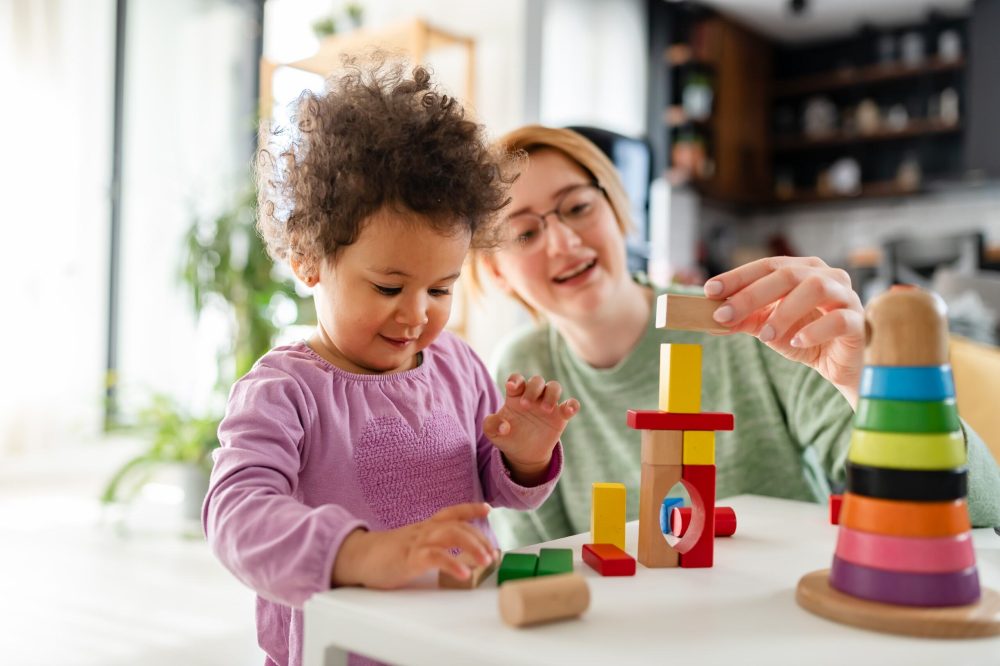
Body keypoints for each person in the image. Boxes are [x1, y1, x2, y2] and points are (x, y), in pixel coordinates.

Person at [203, 64, 579, 666]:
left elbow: (492, 485)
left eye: (440, 290)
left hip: (458, 641)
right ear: (308, 261)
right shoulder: (282, 391)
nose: (416, 316)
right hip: (340, 651)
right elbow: (235, 517)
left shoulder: (456, 363)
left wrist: (522, 458)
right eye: (386, 287)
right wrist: (360, 555)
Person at [470, 125, 1000, 548]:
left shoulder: (752, 325)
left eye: (578, 207)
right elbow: (537, 567)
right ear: (493, 271)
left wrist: (866, 386)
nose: (563, 240)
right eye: (525, 232)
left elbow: (980, 513)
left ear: (617, 211)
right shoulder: (519, 370)